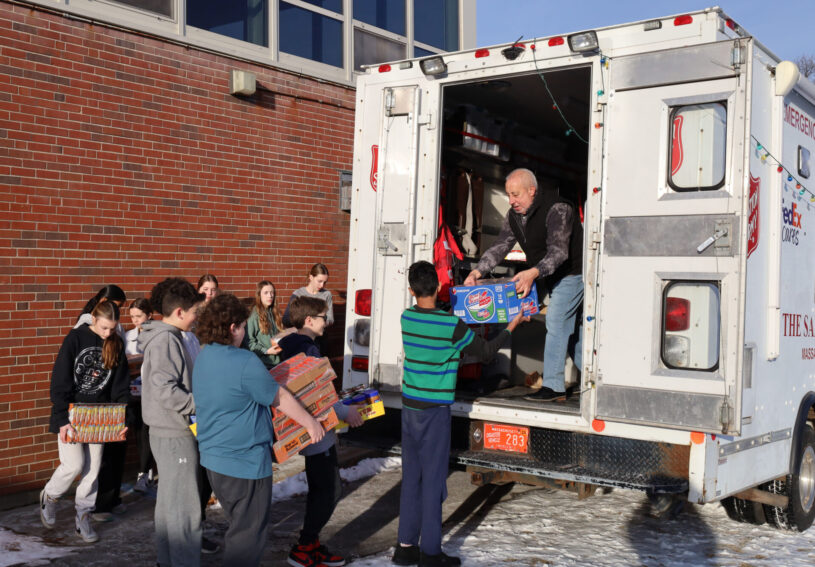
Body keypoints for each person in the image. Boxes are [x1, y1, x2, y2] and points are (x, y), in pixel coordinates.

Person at [393, 261, 527, 567]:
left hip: (410, 407)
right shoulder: (452, 326)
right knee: (434, 481)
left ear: (412, 291)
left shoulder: (407, 318)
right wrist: (511, 325)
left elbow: (443, 344)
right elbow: (488, 351)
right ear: (439, 287)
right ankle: (430, 553)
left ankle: (405, 547)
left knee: (412, 476)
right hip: (435, 411)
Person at [193, 294, 327, 567]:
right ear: (233, 328)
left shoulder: (204, 356)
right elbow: (279, 397)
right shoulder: (243, 361)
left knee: (238, 526)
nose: (244, 331)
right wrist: (311, 423)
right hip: (245, 463)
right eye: (243, 326)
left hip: (214, 461)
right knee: (247, 536)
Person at [463, 168, 583, 402]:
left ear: (532, 190)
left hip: (572, 272)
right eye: (508, 195)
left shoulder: (558, 208)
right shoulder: (514, 216)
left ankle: (553, 386)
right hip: (546, 274)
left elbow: (559, 253)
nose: (511, 201)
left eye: (515, 195)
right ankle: (590, 378)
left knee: (557, 320)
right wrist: (478, 271)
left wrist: (532, 273)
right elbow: (501, 246)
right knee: (571, 329)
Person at [279, 296, 364, 567]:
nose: (326, 323)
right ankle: (304, 547)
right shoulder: (308, 350)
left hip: (310, 427)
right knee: (329, 490)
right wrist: (345, 412)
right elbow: (320, 390)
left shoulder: (292, 345)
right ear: (308, 320)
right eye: (322, 317)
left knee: (322, 488)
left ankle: (311, 543)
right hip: (317, 430)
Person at [40, 301, 130, 543]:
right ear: (93, 318)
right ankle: (49, 496)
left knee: (93, 470)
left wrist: (123, 417)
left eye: (112, 328)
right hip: (71, 414)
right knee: (73, 465)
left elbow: (120, 386)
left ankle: (83, 516)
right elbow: (59, 380)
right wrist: (61, 418)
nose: (107, 333)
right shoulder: (75, 339)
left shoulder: (116, 344)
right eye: (103, 328)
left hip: (100, 417)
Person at [139, 278, 205, 567]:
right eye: (194, 312)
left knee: (170, 503)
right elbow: (164, 387)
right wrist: (196, 406)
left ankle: (167, 560)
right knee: (184, 508)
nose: (196, 318)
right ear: (179, 312)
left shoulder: (167, 337)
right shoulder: (167, 340)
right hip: (175, 433)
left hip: (168, 431)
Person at [72, 286, 129, 523]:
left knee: (106, 458)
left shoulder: (115, 330)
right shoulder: (82, 330)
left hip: (110, 401)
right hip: (91, 403)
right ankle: (94, 506)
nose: (108, 332)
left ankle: (105, 501)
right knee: (90, 463)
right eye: (117, 306)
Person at [124, 298, 156, 494]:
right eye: (132, 316)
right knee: (139, 433)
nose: (135, 320)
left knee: (148, 432)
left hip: (151, 392)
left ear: (149, 315)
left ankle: (146, 473)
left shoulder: (156, 335)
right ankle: (146, 471)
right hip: (133, 392)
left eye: (139, 316)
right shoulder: (128, 336)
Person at [245, 280, 284, 368]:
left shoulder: (274, 312)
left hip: (278, 361)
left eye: (272, 292)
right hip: (263, 364)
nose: (270, 296)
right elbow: (249, 342)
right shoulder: (254, 315)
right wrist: (266, 351)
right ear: (259, 295)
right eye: (266, 293)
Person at [283, 263, 334, 328]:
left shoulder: (327, 294)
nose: (322, 285)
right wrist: (306, 324)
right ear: (311, 277)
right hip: (302, 335)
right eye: (319, 281)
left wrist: (319, 325)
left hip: (320, 335)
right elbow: (286, 319)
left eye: (325, 282)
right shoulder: (298, 294)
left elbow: (330, 319)